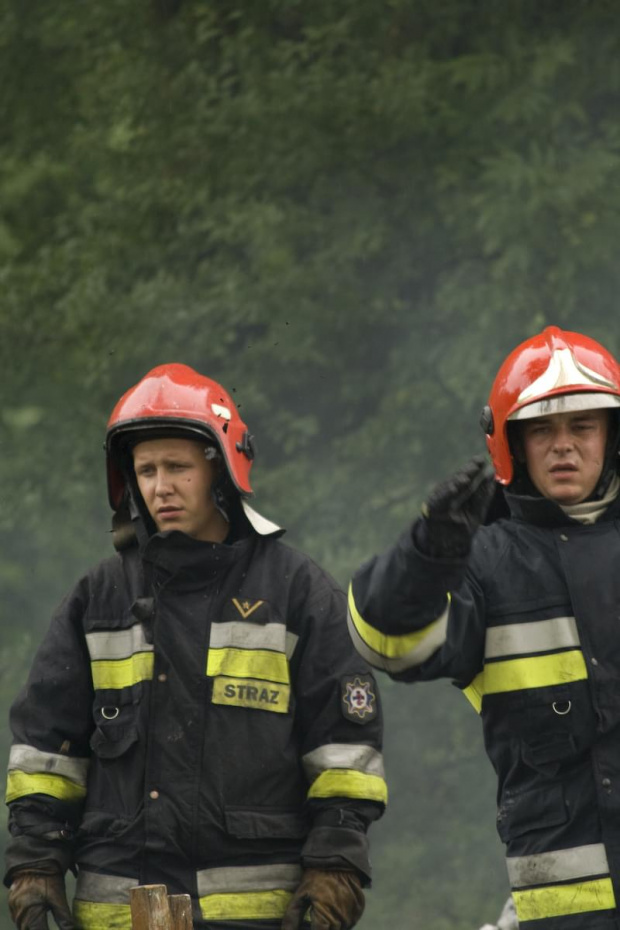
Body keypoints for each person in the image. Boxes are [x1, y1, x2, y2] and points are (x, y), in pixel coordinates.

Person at [5, 363, 387, 930]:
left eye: (178, 467)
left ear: (221, 469)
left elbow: (344, 756)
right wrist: (34, 869)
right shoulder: (98, 599)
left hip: (257, 917)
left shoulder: (296, 593)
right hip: (117, 915)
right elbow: (46, 754)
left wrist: (335, 869)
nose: (161, 487)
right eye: (147, 470)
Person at [348, 326, 620, 930]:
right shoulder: (484, 560)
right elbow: (386, 643)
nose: (563, 446)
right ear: (512, 445)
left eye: (582, 426)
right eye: (542, 429)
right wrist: (429, 553)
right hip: (563, 910)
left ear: (612, 435)